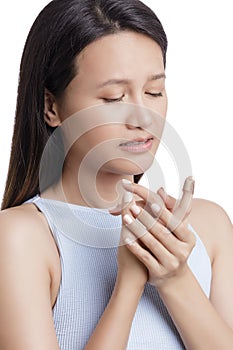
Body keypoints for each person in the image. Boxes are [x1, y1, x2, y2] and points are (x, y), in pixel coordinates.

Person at [0, 0, 233, 349]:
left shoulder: (208, 225)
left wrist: (175, 278)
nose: (143, 117)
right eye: (113, 98)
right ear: (52, 107)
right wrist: (128, 286)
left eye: (154, 91)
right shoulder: (22, 238)